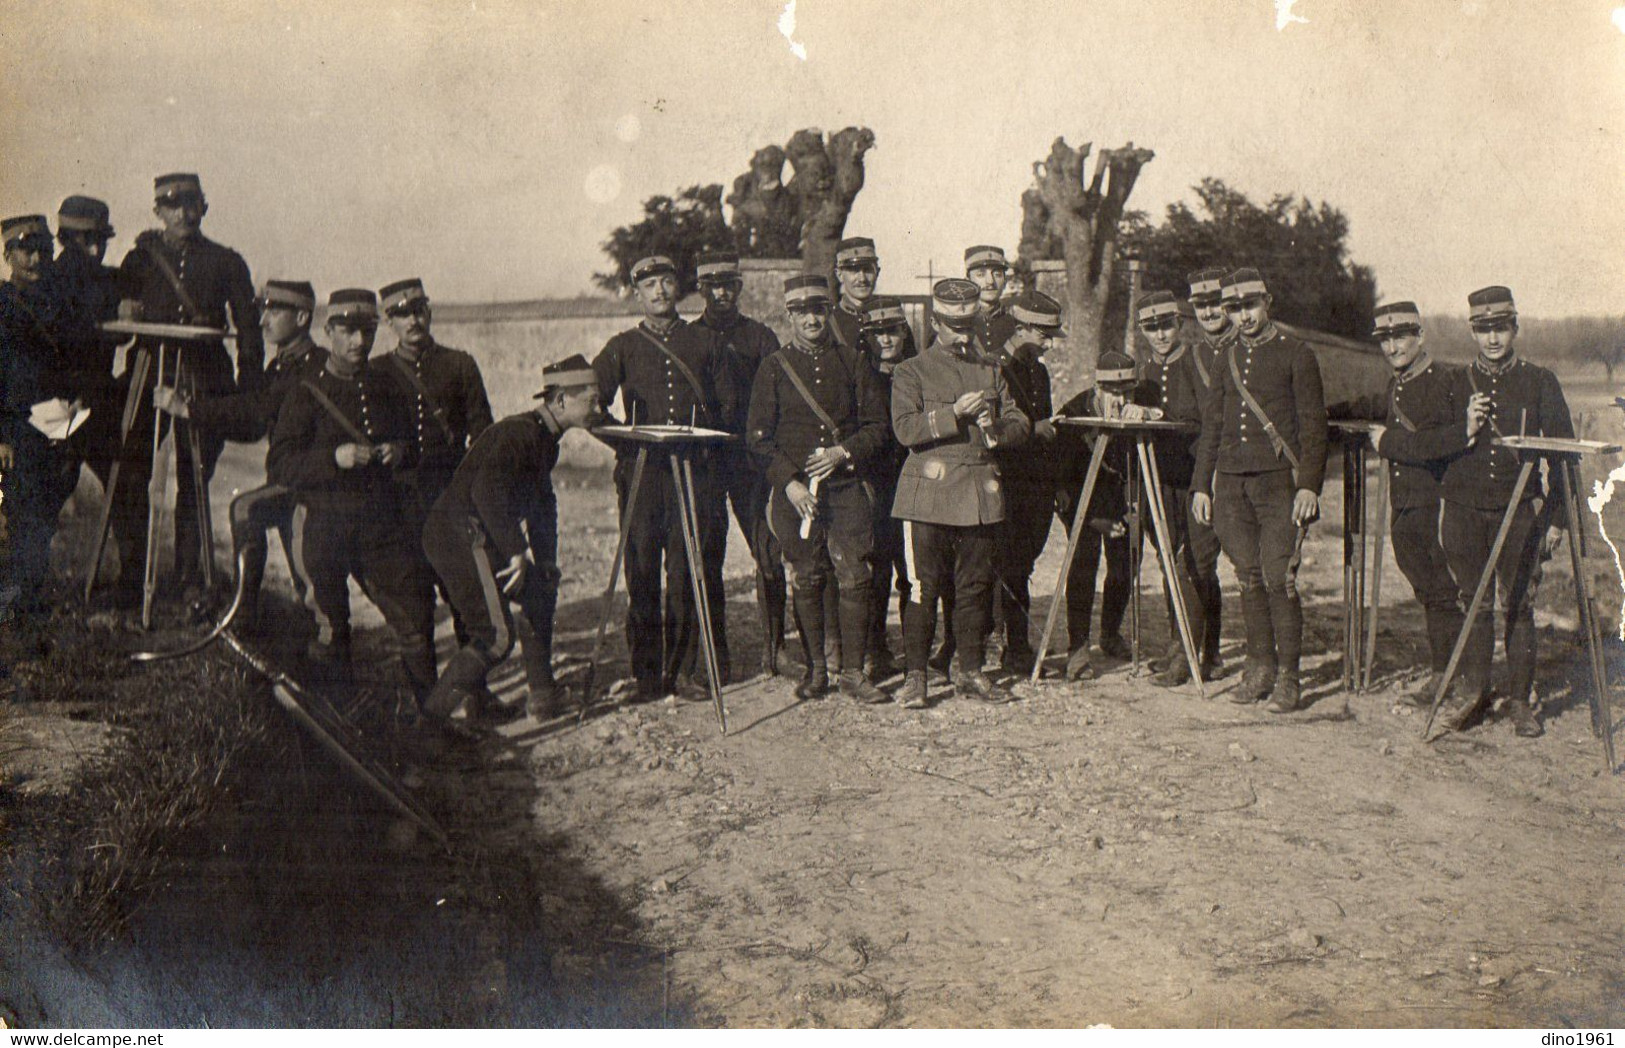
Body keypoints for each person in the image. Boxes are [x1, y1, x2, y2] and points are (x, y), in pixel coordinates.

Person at [267, 289, 436, 706]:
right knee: (333, 630)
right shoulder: (306, 392)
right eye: (348, 332)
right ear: (328, 331)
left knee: (414, 617)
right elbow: (281, 465)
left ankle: (431, 716)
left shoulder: (386, 385)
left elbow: (414, 446)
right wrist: (333, 458)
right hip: (325, 528)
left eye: (368, 331)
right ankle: (342, 721)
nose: (359, 342)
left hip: (379, 527)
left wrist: (399, 451)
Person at [422, 354, 603, 726]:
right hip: (458, 536)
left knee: (540, 588)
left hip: (477, 533)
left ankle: (542, 697)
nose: (598, 408)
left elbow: (542, 504)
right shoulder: (519, 434)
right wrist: (518, 553)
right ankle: (427, 729)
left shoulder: (543, 440)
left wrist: (546, 559)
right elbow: (487, 493)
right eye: (591, 399)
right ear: (561, 400)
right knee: (495, 637)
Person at [111, 173, 264, 609]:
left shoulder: (227, 262)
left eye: (191, 204)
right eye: (173, 205)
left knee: (196, 477)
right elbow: (117, 317)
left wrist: (246, 392)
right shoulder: (139, 259)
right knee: (130, 469)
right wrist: (122, 306)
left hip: (206, 376)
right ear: (157, 210)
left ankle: (189, 579)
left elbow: (249, 332)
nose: (183, 213)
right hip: (149, 373)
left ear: (204, 207)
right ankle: (132, 573)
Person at [592, 254, 739, 703]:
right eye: (649, 285)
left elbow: (729, 409)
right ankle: (646, 675)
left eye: (666, 282)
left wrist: (702, 443)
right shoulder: (621, 347)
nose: (659, 292)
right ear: (637, 294)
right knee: (640, 572)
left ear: (679, 288)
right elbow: (588, 403)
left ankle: (683, 671)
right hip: (641, 474)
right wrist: (626, 442)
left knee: (686, 571)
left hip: (693, 474)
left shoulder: (707, 342)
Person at [1434, 285, 1572, 737]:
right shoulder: (1454, 383)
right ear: (1473, 332)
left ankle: (1520, 701)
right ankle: (1476, 695)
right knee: (1473, 603)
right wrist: (1464, 428)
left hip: (1517, 516)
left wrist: (1555, 519)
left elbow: (1565, 460)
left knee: (1519, 604)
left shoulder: (1540, 381)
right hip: (1464, 512)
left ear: (1515, 327)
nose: (1493, 339)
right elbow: (1432, 449)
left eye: (1501, 328)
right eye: (1483, 329)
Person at [747, 275, 891, 703]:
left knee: (854, 576)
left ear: (828, 312)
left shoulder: (851, 362)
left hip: (847, 489)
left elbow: (878, 427)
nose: (811, 319)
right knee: (807, 578)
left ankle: (852, 672)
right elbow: (757, 436)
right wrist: (789, 483)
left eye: (818, 310)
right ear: (789, 315)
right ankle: (816, 671)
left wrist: (842, 453)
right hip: (797, 498)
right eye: (801, 312)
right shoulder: (774, 367)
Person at [154, 280, 327, 633]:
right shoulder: (283, 366)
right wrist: (200, 410)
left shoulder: (312, 367)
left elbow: (253, 411)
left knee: (252, 514)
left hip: (314, 483)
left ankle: (248, 614)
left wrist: (189, 408)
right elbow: (251, 423)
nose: (263, 321)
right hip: (290, 479)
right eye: (263, 310)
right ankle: (254, 613)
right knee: (306, 577)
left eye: (274, 311)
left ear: (302, 317)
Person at [1192, 268, 1328, 713]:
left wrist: (1308, 485)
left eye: (1250, 305)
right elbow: (1212, 426)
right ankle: (1259, 667)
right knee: (1248, 576)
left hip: (1277, 487)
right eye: (1234, 308)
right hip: (1231, 486)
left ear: (1267, 302)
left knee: (1279, 578)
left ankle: (1289, 677)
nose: (1243, 316)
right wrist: (1202, 486)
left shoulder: (1296, 353)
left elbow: (1313, 427)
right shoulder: (1225, 355)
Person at [890, 277, 1030, 708]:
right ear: (936, 322)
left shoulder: (990, 368)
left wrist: (995, 433)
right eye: (953, 325)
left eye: (968, 324)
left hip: (977, 493)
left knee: (975, 585)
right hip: (928, 492)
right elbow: (905, 429)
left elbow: (1020, 422)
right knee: (921, 587)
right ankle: (917, 677)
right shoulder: (910, 370)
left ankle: (970, 672)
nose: (963, 333)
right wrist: (953, 413)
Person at [1362, 302, 1472, 709]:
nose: (1393, 347)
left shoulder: (1448, 381)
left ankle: (1456, 678)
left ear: (1420, 336)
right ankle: (1446, 674)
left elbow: (1449, 440)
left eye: (1401, 336)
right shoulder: (1399, 382)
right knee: (1428, 589)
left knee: (1445, 592)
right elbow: (1375, 405)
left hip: (1439, 503)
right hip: (1407, 505)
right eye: (1385, 340)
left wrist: (1387, 443)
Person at [376, 277, 493, 642]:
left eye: (417, 311)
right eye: (401, 314)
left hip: (450, 495)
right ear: (388, 322)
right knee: (416, 603)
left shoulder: (459, 365)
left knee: (463, 596)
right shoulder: (377, 374)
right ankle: (428, 699)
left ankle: (476, 695)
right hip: (402, 502)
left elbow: (483, 436)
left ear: (429, 312)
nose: (412, 321)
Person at [692, 249, 791, 678]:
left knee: (769, 552)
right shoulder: (689, 338)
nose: (722, 293)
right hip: (708, 464)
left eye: (729, 285)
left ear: (738, 288)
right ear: (701, 290)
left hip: (752, 463)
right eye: (713, 286)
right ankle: (716, 655)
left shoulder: (761, 337)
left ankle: (776, 649)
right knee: (707, 556)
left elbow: (780, 396)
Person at [1136, 290, 1223, 686]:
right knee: (1170, 561)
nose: (1160, 335)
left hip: (1197, 478)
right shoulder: (1144, 371)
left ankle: (1204, 651)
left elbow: (1210, 421)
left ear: (1179, 325)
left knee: (1198, 565)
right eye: (1150, 328)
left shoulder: (1197, 360)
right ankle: (1180, 644)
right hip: (1163, 479)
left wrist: (1163, 415)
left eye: (1166, 326)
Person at [0, 215, 79, 622]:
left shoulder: (57, 304)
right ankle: (18, 599)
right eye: (25, 251)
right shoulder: (2, 304)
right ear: (8, 254)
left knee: (46, 508)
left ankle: (30, 590)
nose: (34, 259)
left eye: (42, 251)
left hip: (55, 420)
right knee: (20, 508)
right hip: (15, 424)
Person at [1053, 350, 1145, 680]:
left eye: (1125, 392)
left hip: (1121, 499)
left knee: (1127, 561)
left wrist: (1134, 508)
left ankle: (1110, 632)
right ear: (1097, 387)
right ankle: (1078, 647)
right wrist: (1092, 520)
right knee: (1083, 564)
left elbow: (1139, 467)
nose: (1119, 400)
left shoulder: (1137, 410)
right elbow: (1062, 480)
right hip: (1083, 502)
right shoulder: (1075, 414)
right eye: (1111, 392)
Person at [989, 290, 1065, 675]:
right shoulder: (995, 368)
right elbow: (991, 429)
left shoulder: (1037, 369)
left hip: (1035, 481)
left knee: (1023, 564)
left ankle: (1014, 645)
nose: (1048, 344)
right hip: (1006, 478)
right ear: (1021, 328)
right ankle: (1012, 647)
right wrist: (1034, 429)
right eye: (1043, 335)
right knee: (1008, 565)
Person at [42, 196, 127, 484]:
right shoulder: (51, 282)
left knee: (122, 483)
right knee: (120, 484)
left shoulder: (106, 281)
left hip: (84, 400)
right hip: (63, 401)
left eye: (101, 240)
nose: (96, 249)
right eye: (89, 241)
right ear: (69, 239)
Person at [856, 296, 916, 682]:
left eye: (892, 330)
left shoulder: (917, 371)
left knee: (912, 571)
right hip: (876, 483)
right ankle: (876, 649)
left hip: (912, 481)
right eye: (877, 333)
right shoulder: (861, 376)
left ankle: (915, 652)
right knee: (876, 569)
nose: (885, 339)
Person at [828, 237, 880, 351]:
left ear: (877, 272)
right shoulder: (829, 322)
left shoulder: (892, 317)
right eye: (854, 270)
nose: (862, 278)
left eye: (867, 270)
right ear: (839, 275)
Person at [965, 244, 1016, 358]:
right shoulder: (956, 325)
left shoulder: (1017, 326)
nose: (990, 281)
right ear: (968, 281)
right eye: (981, 274)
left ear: (1005, 281)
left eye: (997, 274)